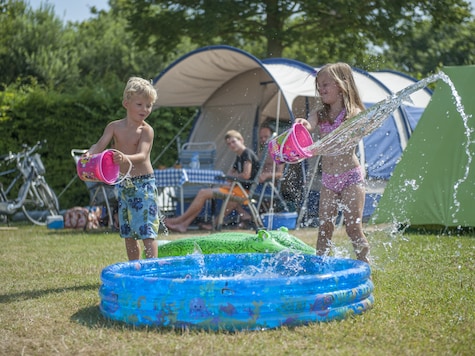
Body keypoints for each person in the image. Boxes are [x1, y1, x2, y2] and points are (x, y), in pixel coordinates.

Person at [296, 63, 370, 263]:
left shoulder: (353, 114)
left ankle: (365, 268)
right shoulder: (320, 114)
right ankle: (321, 267)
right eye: (319, 86)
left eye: (326, 85)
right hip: (329, 179)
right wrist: (304, 125)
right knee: (324, 227)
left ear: (342, 85)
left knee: (353, 228)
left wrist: (318, 147)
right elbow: (309, 124)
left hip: (350, 177)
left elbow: (341, 138)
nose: (321, 89)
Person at [86, 76, 160, 261]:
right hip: (124, 183)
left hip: (144, 185)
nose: (145, 109)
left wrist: (125, 158)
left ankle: (152, 268)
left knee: (146, 229)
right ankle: (133, 268)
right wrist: (89, 154)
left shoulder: (146, 130)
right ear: (126, 103)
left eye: (149, 105)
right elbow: (99, 145)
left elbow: (142, 155)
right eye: (140, 104)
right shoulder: (114, 127)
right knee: (128, 231)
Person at [165, 130, 260, 232]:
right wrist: (231, 177)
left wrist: (232, 177)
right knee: (204, 193)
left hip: (243, 191)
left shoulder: (247, 153)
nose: (231, 145)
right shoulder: (239, 156)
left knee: (203, 193)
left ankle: (179, 221)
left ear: (241, 140)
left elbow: (246, 175)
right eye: (229, 144)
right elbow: (230, 174)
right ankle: (183, 224)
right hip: (237, 189)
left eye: (234, 142)